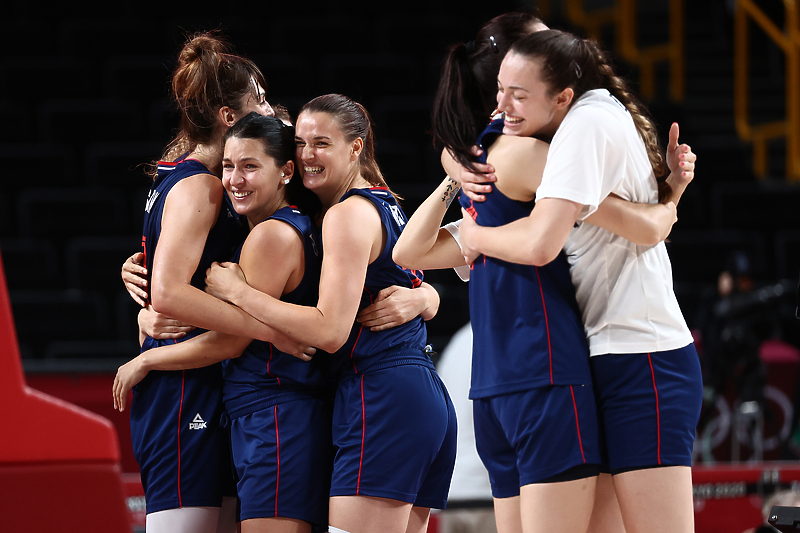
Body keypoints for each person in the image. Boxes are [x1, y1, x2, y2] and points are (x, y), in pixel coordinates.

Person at [394, 14, 695, 533]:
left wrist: (458, 189)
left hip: (557, 368)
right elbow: (636, 228)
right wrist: (668, 203)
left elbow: (411, 252)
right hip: (554, 370)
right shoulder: (528, 153)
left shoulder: (510, 150)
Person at [201, 94, 456, 533]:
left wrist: (238, 292)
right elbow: (406, 277)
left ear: (356, 147)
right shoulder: (381, 200)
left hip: (383, 396)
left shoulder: (344, 215)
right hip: (419, 393)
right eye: (299, 143)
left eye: (321, 142)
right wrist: (427, 297)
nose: (307, 155)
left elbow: (331, 331)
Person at [114, 113, 331, 533]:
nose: (233, 179)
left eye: (250, 166)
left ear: (286, 170)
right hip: (264, 414)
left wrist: (147, 361)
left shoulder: (271, 235)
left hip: (275, 415)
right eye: (229, 166)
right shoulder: (270, 226)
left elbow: (229, 339)